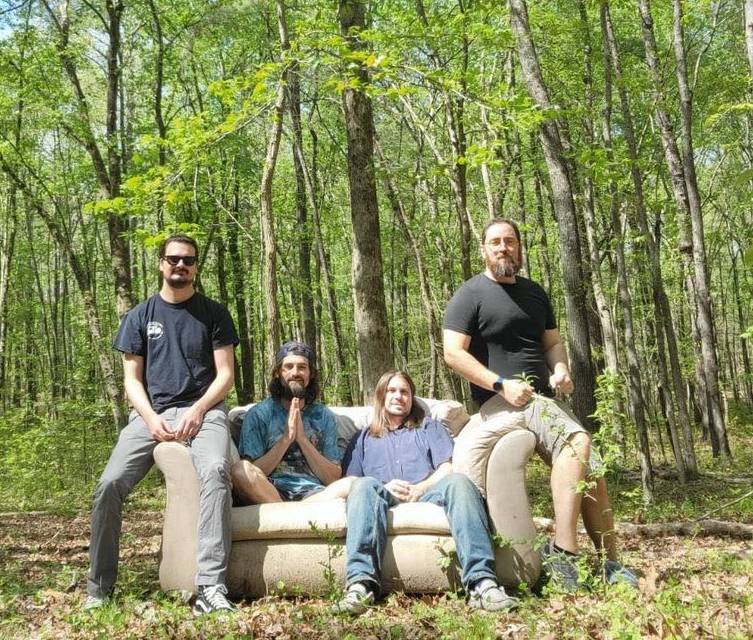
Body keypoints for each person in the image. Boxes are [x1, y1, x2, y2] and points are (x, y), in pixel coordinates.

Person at [443, 217, 638, 591]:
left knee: (590, 467)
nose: (503, 248)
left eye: (510, 241)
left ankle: (612, 564)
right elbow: (453, 354)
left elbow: (552, 343)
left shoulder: (534, 293)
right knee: (578, 441)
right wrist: (500, 384)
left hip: (542, 399)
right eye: (495, 242)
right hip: (501, 402)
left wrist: (561, 368)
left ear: (519, 247)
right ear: (483, 249)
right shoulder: (469, 294)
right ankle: (564, 551)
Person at [85, 234, 239, 615]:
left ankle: (210, 587)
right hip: (149, 413)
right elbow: (131, 380)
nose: (180, 266)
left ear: (196, 266)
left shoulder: (214, 313)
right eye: (173, 259)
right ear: (160, 263)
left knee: (217, 471)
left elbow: (226, 375)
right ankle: (99, 590)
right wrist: (151, 418)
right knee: (108, 485)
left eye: (188, 260)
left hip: (205, 411)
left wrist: (200, 408)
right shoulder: (139, 316)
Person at [333, 370, 518, 614]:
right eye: (392, 391)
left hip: (428, 490)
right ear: (380, 396)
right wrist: (384, 487)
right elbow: (352, 478)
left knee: (459, 482)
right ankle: (360, 585)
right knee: (362, 485)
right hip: (381, 494)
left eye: (405, 392)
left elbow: (446, 467)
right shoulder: (363, 437)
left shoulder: (429, 427)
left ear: (412, 398)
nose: (399, 396)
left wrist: (422, 488)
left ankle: (482, 583)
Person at [231, 341, 347, 503]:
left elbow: (333, 479)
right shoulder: (259, 414)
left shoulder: (324, 416)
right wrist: (286, 439)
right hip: (271, 492)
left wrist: (302, 440)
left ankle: (295, 513)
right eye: (288, 367)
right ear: (278, 373)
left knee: (353, 483)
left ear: (311, 374)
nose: (295, 372)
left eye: (302, 367)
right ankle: (286, 511)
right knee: (239, 470)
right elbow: (253, 471)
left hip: (314, 495)